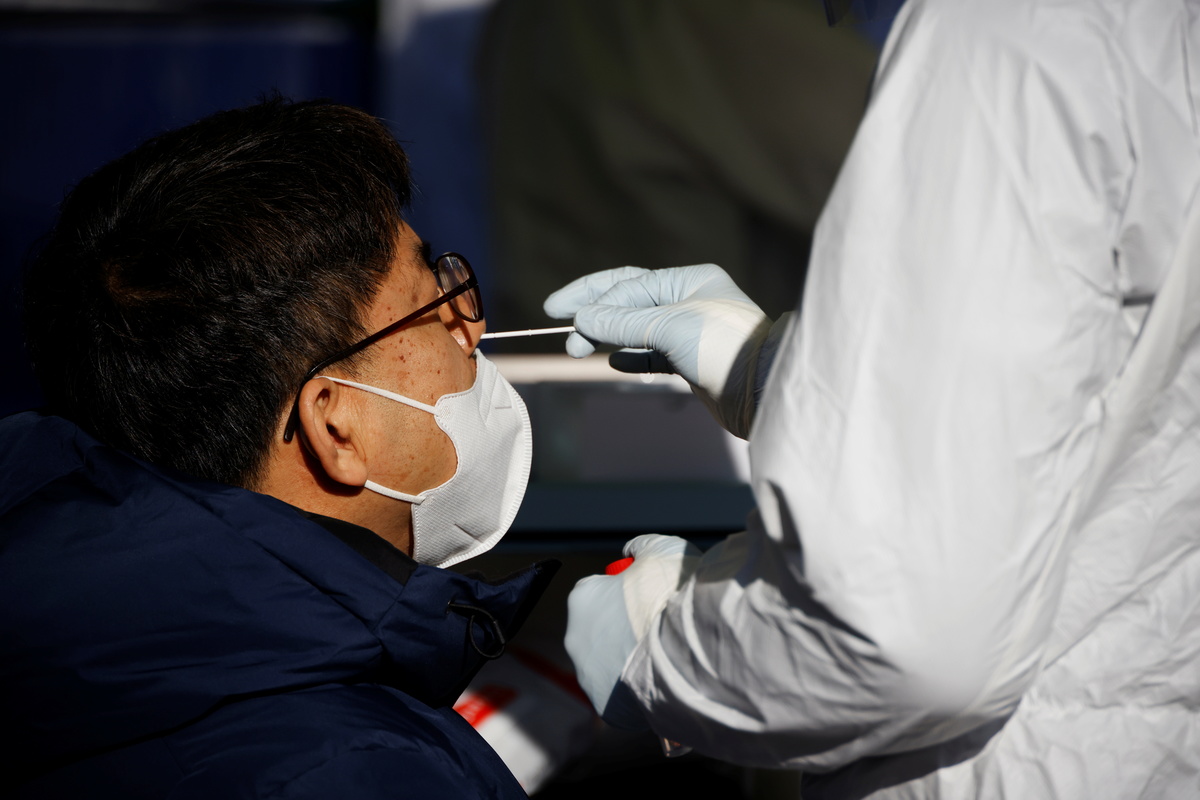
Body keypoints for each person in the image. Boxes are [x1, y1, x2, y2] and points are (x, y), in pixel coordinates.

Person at [544, 0, 1200, 797]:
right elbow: (1117, 395)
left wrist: (661, 646)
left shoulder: (998, 37)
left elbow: (896, 638)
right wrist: (773, 366)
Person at [2, 98, 554, 799]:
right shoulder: (361, 775)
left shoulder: (65, 638)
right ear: (336, 427)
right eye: (434, 306)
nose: (469, 328)